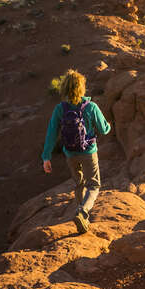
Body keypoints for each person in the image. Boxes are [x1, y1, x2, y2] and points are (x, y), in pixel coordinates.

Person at [42, 69, 111, 234]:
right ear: (82, 88)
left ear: (65, 88)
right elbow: (103, 129)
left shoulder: (60, 109)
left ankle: (82, 217)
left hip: (70, 153)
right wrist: (108, 125)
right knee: (93, 185)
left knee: (79, 184)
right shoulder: (91, 106)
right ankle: (82, 212)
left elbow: (51, 133)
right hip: (88, 152)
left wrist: (46, 157)